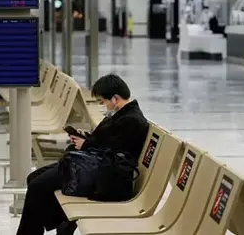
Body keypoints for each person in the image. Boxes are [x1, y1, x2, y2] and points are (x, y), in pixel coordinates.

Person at [15, 74, 150, 235]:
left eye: (103, 101)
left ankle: (51, 226)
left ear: (115, 98)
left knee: (37, 186)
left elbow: (117, 153)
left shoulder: (131, 120)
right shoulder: (123, 115)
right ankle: (61, 223)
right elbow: (107, 141)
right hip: (92, 165)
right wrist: (85, 138)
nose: (103, 105)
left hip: (102, 175)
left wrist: (86, 144)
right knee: (34, 178)